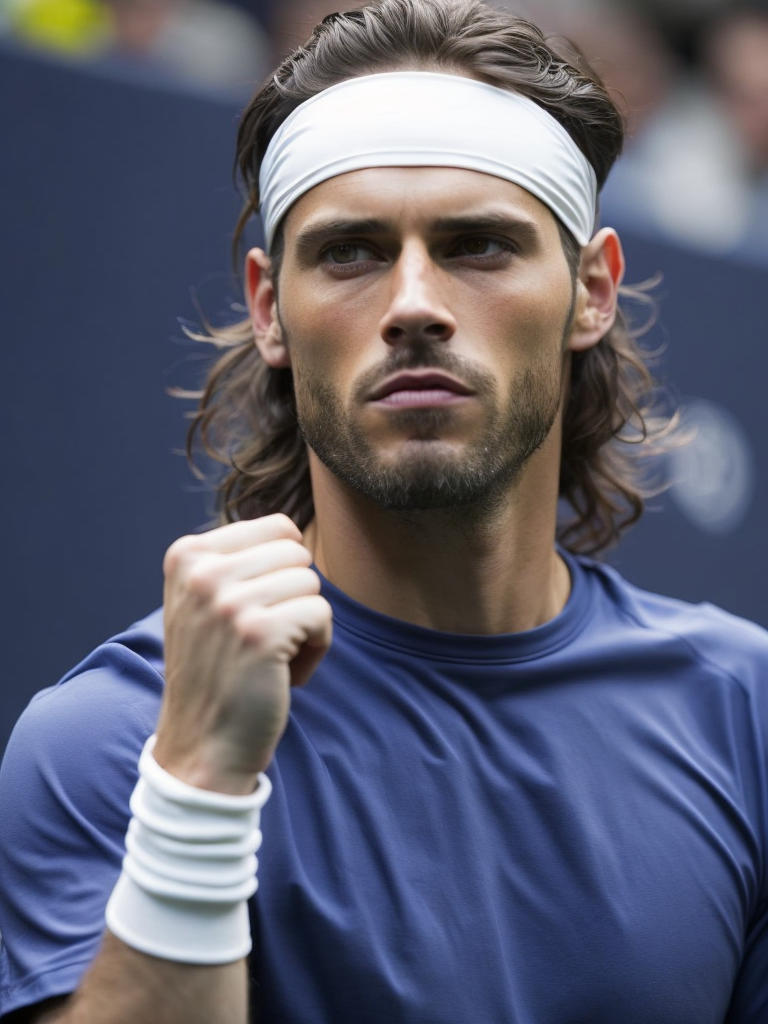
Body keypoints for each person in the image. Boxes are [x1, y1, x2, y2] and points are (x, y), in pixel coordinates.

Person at [2, 1, 768, 1022]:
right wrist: (196, 789)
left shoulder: (746, 716)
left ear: (592, 289)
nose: (413, 301)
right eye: (352, 252)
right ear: (271, 307)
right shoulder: (118, 740)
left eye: (479, 246)